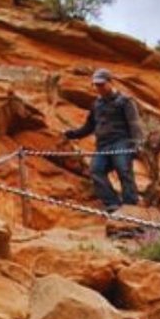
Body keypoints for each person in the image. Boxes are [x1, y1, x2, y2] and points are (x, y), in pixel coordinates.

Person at [63, 68, 146, 212]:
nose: (98, 88)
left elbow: (134, 123)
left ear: (110, 82)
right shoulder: (96, 105)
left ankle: (130, 205)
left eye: (101, 84)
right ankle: (112, 204)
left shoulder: (125, 101)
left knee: (123, 170)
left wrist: (138, 143)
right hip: (102, 146)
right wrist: (71, 134)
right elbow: (89, 127)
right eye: (96, 85)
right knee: (96, 170)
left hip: (121, 142)